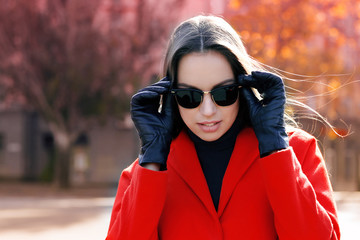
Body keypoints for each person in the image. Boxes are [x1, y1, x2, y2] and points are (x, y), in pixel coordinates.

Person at [106, 15, 340, 240]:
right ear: (170, 95)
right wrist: (153, 158)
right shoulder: (145, 173)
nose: (208, 110)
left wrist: (274, 149)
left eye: (223, 93)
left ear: (243, 86)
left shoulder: (298, 151)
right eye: (189, 96)